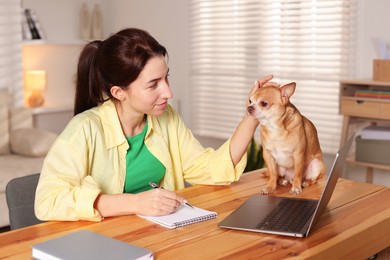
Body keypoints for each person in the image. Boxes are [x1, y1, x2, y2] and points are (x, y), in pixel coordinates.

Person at [34, 27, 277, 222]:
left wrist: (253, 114)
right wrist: (135, 203)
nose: (168, 92)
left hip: (155, 232)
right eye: (153, 84)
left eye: (166, 77)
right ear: (119, 92)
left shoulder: (165, 118)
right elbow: (48, 201)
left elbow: (211, 168)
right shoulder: (84, 129)